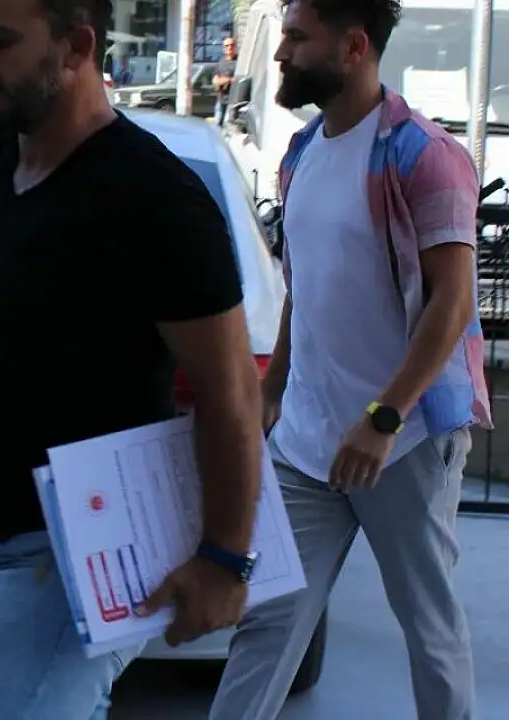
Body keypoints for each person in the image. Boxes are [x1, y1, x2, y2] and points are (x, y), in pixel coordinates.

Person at [0, 0, 267, 714]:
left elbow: (233, 390)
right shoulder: (11, 155)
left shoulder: (154, 198)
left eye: (0, 42)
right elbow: (28, 253)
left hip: (72, 562)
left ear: (77, 46)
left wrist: (225, 558)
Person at [210, 0, 488, 717]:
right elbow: (304, 287)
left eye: (297, 39)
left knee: (427, 627)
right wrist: (274, 388)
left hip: (404, 442)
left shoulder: (422, 155)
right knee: (267, 622)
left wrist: (383, 418)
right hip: (307, 443)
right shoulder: (301, 154)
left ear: (354, 47)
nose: (280, 53)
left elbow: (452, 303)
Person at [213, 35, 238, 125]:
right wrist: (229, 80)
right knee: (219, 126)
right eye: (227, 46)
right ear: (223, 48)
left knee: (232, 127)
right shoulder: (220, 63)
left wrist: (222, 80)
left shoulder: (239, 62)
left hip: (235, 102)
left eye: (232, 45)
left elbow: (239, 79)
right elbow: (215, 81)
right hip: (221, 101)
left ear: (235, 47)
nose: (229, 47)